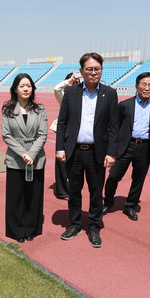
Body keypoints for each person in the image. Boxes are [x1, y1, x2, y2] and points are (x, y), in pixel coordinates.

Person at [55, 52, 119, 248]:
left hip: (97, 152)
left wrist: (111, 152)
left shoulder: (110, 93)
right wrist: (60, 148)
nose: (93, 72)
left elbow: (113, 126)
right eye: (89, 69)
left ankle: (93, 226)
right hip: (74, 151)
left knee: (96, 191)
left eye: (97, 69)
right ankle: (75, 224)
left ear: (101, 70)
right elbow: (62, 123)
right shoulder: (71, 93)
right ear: (81, 71)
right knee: (74, 190)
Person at [103, 72, 150, 221]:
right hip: (125, 146)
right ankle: (108, 201)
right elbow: (115, 127)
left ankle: (130, 205)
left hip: (144, 148)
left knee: (138, 179)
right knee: (113, 176)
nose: (147, 88)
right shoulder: (125, 105)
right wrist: (112, 148)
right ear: (137, 86)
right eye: (144, 84)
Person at [1, 73, 48, 243]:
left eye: (28, 85)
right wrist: (23, 154)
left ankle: (31, 229)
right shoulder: (7, 110)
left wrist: (32, 154)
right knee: (16, 197)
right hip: (15, 159)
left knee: (33, 196)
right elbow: (6, 135)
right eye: (22, 86)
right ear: (15, 89)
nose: (26, 89)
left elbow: (43, 134)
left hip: (36, 159)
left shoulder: (40, 109)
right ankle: (17, 230)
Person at [50, 72, 79, 200]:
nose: (75, 83)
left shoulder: (82, 95)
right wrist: (69, 82)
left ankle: (74, 187)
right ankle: (61, 191)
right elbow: (57, 89)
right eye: (72, 81)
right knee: (61, 161)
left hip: (77, 133)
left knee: (75, 161)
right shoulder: (64, 96)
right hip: (64, 132)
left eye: (77, 81)